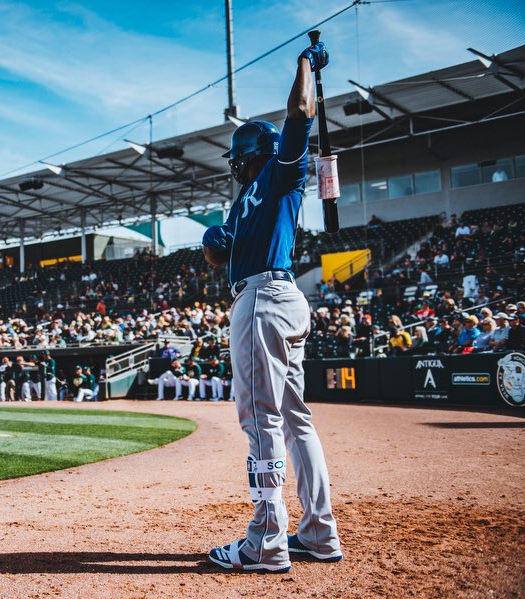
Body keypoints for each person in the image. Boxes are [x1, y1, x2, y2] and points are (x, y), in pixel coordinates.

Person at [201, 38, 341, 572]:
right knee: (293, 420)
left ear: (246, 156)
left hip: (264, 299)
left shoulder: (281, 170)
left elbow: (301, 111)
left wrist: (306, 62)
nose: (234, 167)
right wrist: (217, 243)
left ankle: (265, 542)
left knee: (262, 420)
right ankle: (318, 534)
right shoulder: (244, 203)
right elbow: (222, 257)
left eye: (236, 159)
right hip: (272, 296)